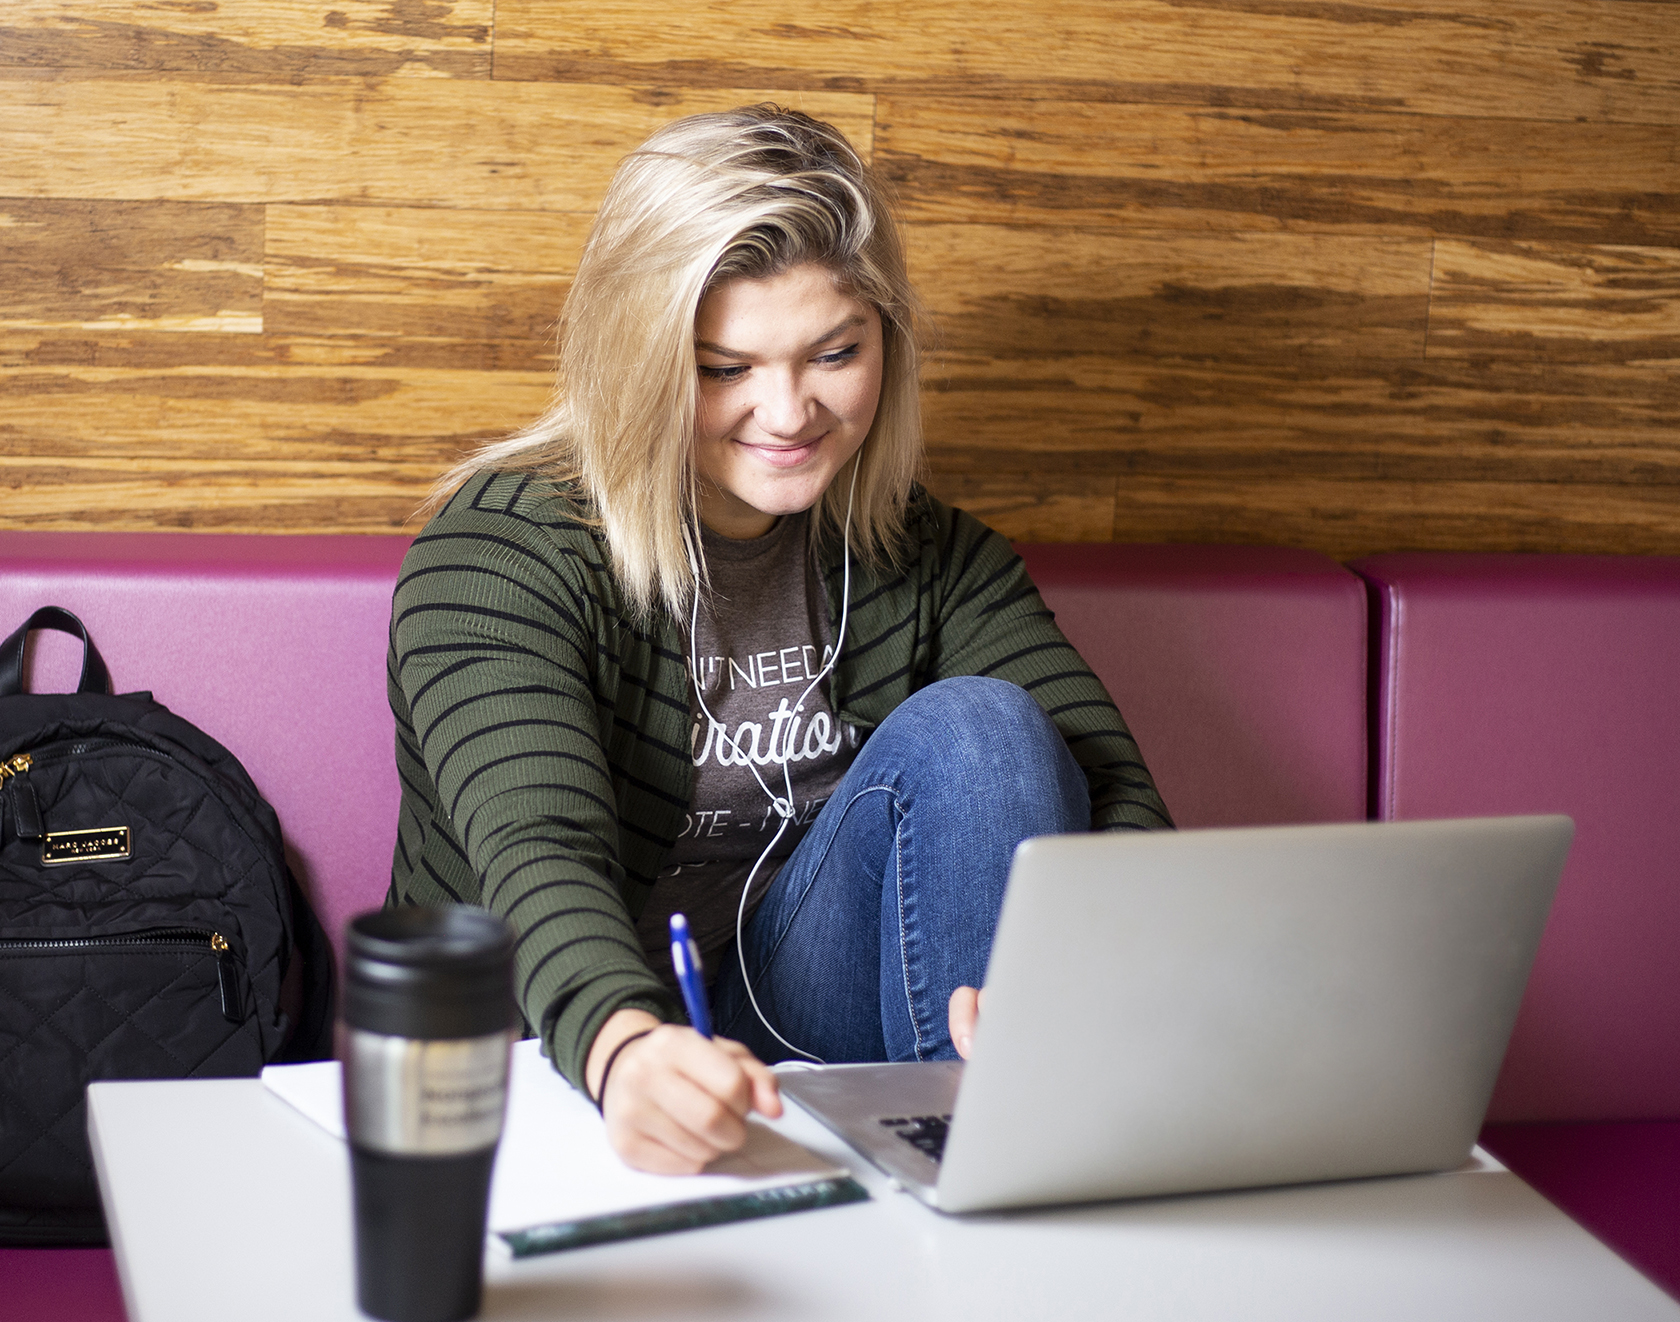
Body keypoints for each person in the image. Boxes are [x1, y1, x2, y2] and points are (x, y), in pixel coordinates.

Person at [387, 105, 1173, 1175]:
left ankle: (991, 1161)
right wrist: (627, 1047)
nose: (790, 411)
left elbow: (1113, 785)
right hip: (557, 1036)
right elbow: (538, 848)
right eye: (725, 369)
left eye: (834, 352)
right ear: (642, 358)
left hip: (800, 1004)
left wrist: (1081, 983)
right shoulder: (499, 554)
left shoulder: (924, 551)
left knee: (986, 729)